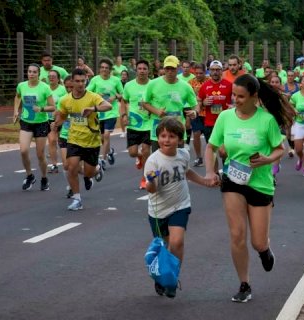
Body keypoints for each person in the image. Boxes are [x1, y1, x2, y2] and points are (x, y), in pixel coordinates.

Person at [204, 74, 293, 303]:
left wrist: (266, 159)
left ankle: (265, 251)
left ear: (254, 96)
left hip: (260, 183)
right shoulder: (225, 117)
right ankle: (244, 283)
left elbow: (279, 149)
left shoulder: (266, 120)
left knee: (258, 242)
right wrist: (210, 171)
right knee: (237, 235)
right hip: (233, 180)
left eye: (241, 96)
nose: (236, 100)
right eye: (233, 95)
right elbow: (211, 147)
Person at [144, 116, 215, 298]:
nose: (166, 140)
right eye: (163, 136)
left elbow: (187, 171)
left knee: (177, 242)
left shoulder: (183, 154)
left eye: (171, 136)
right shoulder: (153, 161)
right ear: (157, 137)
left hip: (180, 205)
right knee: (165, 246)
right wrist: (150, 182)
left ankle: (172, 278)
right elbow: (151, 189)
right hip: (158, 210)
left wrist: (204, 181)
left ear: (180, 139)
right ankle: (161, 276)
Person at [53, 69, 112, 210]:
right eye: (77, 81)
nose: (80, 84)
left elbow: (108, 106)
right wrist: (55, 124)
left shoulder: (92, 97)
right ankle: (77, 199)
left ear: (86, 81)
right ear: (72, 82)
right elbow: (62, 115)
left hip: (92, 141)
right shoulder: (65, 100)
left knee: (88, 173)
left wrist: (93, 109)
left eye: (83, 81)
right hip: (74, 139)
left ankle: (97, 170)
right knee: (71, 167)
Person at [13, 63, 55, 191]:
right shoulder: (22, 86)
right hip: (26, 121)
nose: (31, 74)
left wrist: (41, 108)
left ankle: (44, 178)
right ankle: (29, 175)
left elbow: (53, 107)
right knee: (23, 150)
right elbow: (18, 96)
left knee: (40, 154)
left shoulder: (45, 88)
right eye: (29, 71)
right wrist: (15, 111)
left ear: (38, 74)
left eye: (34, 72)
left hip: (41, 123)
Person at [142, 55, 197, 152]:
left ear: (178, 68)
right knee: (158, 161)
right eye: (167, 68)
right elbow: (144, 103)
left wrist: (195, 112)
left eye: (173, 69)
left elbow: (195, 104)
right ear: (164, 69)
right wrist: (157, 111)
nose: (170, 71)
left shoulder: (186, 86)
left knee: (179, 161)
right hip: (159, 127)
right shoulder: (153, 84)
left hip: (178, 127)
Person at [120, 59, 152, 189]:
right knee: (132, 152)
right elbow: (123, 101)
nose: (142, 71)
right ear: (136, 70)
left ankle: (145, 178)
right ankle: (139, 157)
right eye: (140, 69)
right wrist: (124, 115)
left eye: (145, 69)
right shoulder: (129, 86)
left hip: (149, 123)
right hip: (134, 124)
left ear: (148, 71)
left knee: (146, 149)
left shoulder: (153, 85)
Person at [87, 58, 123, 168]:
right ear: (99, 69)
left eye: (106, 68)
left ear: (110, 70)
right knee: (101, 138)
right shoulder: (95, 80)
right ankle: (109, 150)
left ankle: (102, 159)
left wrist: (115, 97)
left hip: (111, 112)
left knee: (106, 135)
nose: (104, 70)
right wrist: (96, 94)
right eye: (102, 67)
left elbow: (122, 94)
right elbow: (87, 93)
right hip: (99, 112)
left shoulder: (116, 80)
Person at [188, 63, 210, 166]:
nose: (198, 75)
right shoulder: (190, 82)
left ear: (205, 72)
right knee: (196, 134)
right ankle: (198, 157)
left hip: (208, 113)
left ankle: (210, 157)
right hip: (196, 113)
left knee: (209, 138)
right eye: (196, 73)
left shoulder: (210, 81)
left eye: (201, 73)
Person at [47, 70, 67, 173]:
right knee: (52, 140)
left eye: (53, 76)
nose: (51, 78)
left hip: (61, 119)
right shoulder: (45, 89)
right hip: (49, 119)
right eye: (49, 76)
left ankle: (66, 160)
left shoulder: (63, 90)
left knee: (61, 141)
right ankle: (54, 164)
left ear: (58, 79)